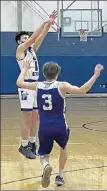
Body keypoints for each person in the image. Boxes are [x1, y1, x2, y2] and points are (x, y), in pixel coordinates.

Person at [16, 59, 104, 187]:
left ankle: (46, 165)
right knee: (63, 148)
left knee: (43, 155)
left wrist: (24, 68)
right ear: (58, 73)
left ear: (44, 73)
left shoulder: (37, 85)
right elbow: (83, 90)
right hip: (60, 126)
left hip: (44, 127)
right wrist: (95, 75)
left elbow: (19, 82)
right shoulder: (62, 85)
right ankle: (60, 176)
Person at [15, 10, 57, 159]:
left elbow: (41, 36)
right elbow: (33, 37)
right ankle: (23, 145)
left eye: (27, 37)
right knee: (26, 115)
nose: (28, 39)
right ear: (20, 42)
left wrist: (49, 25)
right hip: (26, 84)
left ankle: (32, 143)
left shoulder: (32, 50)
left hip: (36, 85)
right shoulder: (20, 50)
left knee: (35, 116)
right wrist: (44, 21)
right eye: (24, 38)